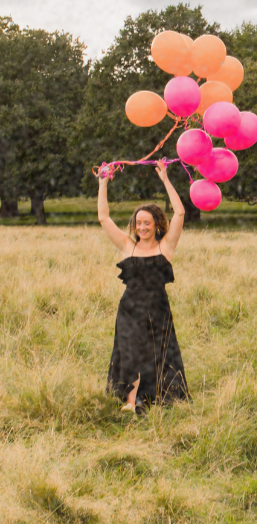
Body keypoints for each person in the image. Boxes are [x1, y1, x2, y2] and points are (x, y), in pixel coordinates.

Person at [98, 160, 189, 413]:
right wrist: (103, 184)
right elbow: (103, 218)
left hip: (158, 309)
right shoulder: (128, 246)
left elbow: (180, 213)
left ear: (157, 224)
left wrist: (166, 180)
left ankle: (152, 397)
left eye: (147, 223)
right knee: (130, 352)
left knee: (157, 354)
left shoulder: (166, 247)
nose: (142, 227)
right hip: (129, 309)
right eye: (138, 223)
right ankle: (131, 402)